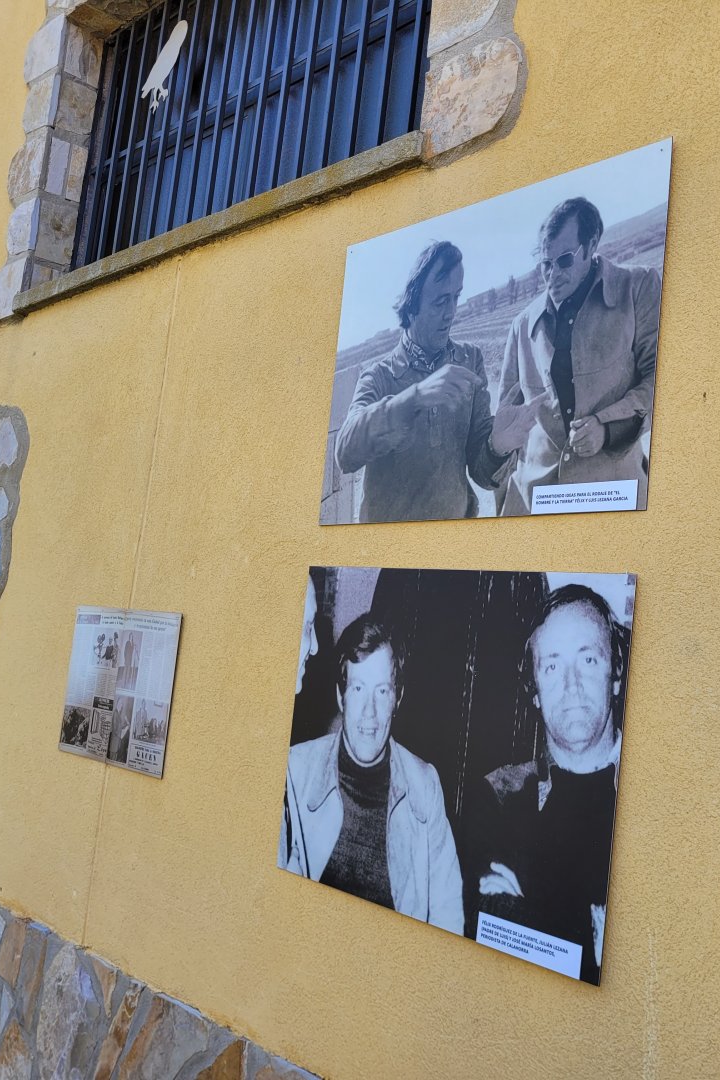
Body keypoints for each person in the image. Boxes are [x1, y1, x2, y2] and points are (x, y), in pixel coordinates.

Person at [465, 585, 627, 983]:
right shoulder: (498, 797)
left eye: (588, 659)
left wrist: (536, 913)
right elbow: (492, 937)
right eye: (552, 666)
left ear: (617, 674)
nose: (571, 685)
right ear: (534, 691)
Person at [279, 616, 462, 932]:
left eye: (382, 691)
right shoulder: (295, 771)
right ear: (341, 695)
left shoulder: (425, 786)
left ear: (398, 698)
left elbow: (448, 915)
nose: (369, 712)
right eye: (359, 688)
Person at [492, 197, 663, 516]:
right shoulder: (522, 325)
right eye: (546, 264)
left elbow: (662, 380)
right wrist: (505, 510)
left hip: (612, 497)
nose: (553, 274)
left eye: (565, 260)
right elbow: (507, 427)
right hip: (535, 505)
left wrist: (607, 427)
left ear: (591, 245)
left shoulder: (636, 288)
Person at [334, 241, 504, 523]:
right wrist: (413, 399)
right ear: (412, 306)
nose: (451, 312)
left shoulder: (469, 360)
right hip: (390, 551)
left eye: (456, 297)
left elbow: (481, 473)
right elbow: (345, 453)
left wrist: (499, 445)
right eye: (440, 301)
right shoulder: (380, 376)